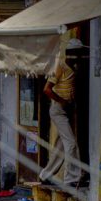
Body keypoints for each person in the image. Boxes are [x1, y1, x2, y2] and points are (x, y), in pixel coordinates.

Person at [40, 39, 82, 187]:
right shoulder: (61, 66)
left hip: (67, 109)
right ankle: (71, 179)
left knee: (61, 146)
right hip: (58, 109)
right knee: (71, 144)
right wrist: (62, 101)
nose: (77, 56)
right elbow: (46, 89)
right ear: (69, 54)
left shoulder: (75, 67)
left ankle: (45, 175)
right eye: (75, 53)